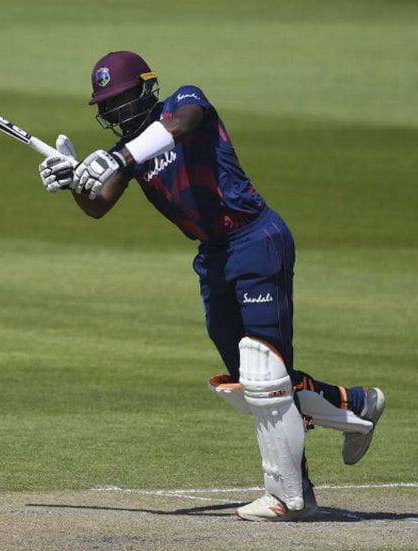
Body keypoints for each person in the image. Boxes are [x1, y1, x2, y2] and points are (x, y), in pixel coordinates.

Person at [38, 51, 385, 521]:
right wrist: (75, 179)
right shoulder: (131, 149)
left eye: (121, 100)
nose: (115, 112)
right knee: (250, 383)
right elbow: (98, 206)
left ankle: (289, 497)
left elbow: (182, 124)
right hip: (213, 258)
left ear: (145, 89)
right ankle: (355, 404)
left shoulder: (183, 103)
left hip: (255, 239)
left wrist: (117, 157)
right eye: (107, 106)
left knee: (266, 375)